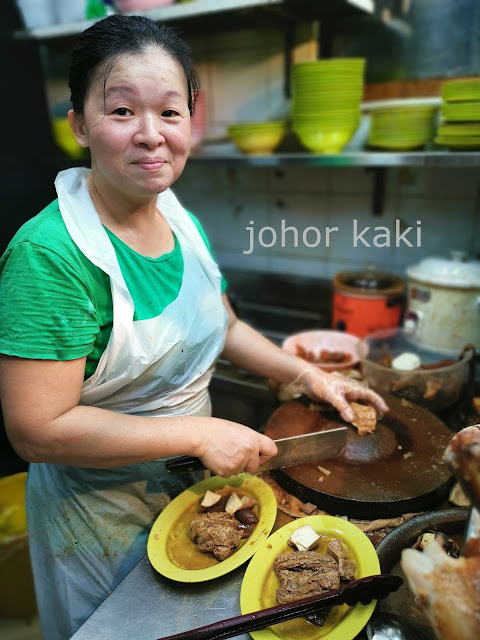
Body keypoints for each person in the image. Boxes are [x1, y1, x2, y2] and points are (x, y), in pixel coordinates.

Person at [0, 14, 388, 640]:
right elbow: (36, 430)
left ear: (190, 121)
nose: (151, 136)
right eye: (122, 111)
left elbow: (224, 325)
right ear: (78, 126)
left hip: (202, 495)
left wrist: (307, 374)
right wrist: (199, 430)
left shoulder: (177, 216)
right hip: (98, 519)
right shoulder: (50, 256)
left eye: (170, 113)